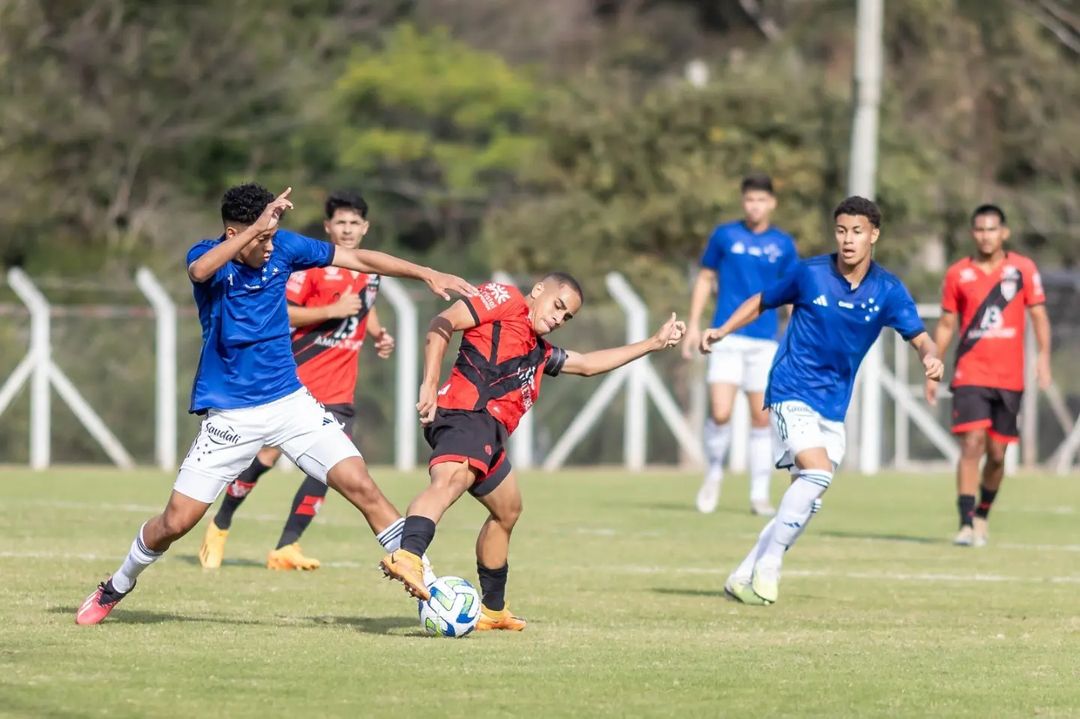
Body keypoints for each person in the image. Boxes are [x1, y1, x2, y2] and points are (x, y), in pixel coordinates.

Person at [75, 183, 474, 625]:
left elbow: (359, 259)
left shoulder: (283, 246)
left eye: (272, 235)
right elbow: (199, 272)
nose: (269, 245)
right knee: (175, 523)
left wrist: (425, 272)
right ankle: (117, 584)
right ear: (233, 233)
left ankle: (430, 591)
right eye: (261, 236)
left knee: (362, 486)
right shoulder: (207, 256)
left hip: (291, 404)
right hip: (231, 417)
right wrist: (254, 233)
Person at [378, 274, 686, 630]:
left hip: (488, 433)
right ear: (539, 290)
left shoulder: (538, 351)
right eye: (558, 306)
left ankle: (493, 611)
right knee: (450, 481)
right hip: (465, 414)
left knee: (507, 510)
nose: (558, 319)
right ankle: (409, 554)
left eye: (567, 317)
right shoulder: (506, 300)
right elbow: (442, 322)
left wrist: (653, 342)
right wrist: (430, 382)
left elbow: (586, 365)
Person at [703, 196, 944, 606]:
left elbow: (920, 337)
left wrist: (931, 357)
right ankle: (771, 562)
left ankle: (742, 574)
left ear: (874, 235)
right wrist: (723, 329)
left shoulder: (887, 289)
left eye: (858, 231)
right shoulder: (810, 274)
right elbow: (761, 300)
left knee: (807, 498)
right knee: (816, 474)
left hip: (833, 405)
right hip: (790, 388)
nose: (848, 240)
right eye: (841, 230)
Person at [198, 190, 396, 571]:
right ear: (328, 227)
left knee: (332, 466)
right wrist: (331, 310)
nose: (348, 229)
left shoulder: (368, 273)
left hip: (340, 384)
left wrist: (377, 332)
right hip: (299, 379)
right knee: (263, 459)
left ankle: (287, 546)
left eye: (355, 223)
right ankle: (220, 523)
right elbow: (282, 313)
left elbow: (362, 308)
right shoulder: (310, 266)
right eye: (341, 222)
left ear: (365, 228)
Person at [925, 204, 1051, 547]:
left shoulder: (1022, 269)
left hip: (1010, 378)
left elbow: (1038, 316)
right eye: (979, 230)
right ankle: (965, 523)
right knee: (972, 444)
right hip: (970, 373)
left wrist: (1043, 358)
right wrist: (933, 368)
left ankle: (982, 513)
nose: (986, 235)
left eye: (992, 229)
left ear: (1004, 233)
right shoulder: (957, 274)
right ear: (972, 234)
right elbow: (948, 323)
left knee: (997, 455)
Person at [683, 173, 797, 516]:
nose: (755, 206)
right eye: (750, 200)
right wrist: (693, 324)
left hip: (764, 341)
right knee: (720, 413)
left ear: (772, 203)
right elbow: (705, 278)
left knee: (761, 420)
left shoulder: (783, 244)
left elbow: (793, 292)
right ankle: (713, 473)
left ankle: (759, 494)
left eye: (761, 200)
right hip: (725, 336)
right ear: (742, 202)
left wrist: (793, 336)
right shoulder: (725, 236)